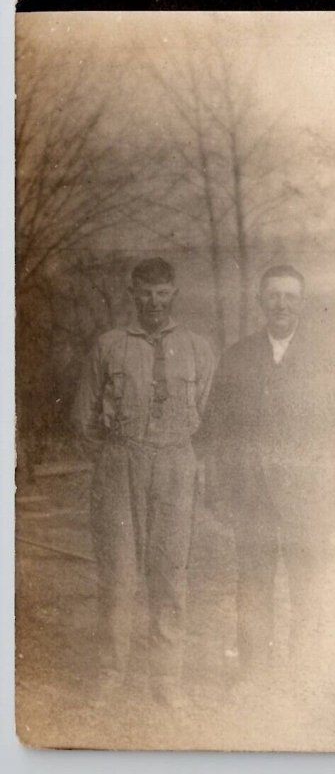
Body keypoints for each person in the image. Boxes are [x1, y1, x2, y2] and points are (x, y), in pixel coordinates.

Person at [73, 257, 215, 708]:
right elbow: (82, 420)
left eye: (162, 293)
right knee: (117, 575)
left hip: (176, 465)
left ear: (174, 294)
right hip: (120, 465)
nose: (154, 302)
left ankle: (166, 681)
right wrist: (117, 457)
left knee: (170, 574)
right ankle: (110, 675)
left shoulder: (198, 348)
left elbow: (209, 416)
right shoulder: (109, 347)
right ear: (132, 294)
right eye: (145, 293)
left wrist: (179, 454)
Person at [197, 265, 335, 690]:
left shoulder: (323, 360)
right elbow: (217, 428)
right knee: (253, 590)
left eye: (290, 296)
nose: (281, 304)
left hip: (305, 500)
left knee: (307, 590)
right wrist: (220, 489)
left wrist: (333, 491)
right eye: (273, 295)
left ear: (301, 302)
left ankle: (304, 678)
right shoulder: (238, 357)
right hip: (253, 498)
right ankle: (253, 676)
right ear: (261, 301)